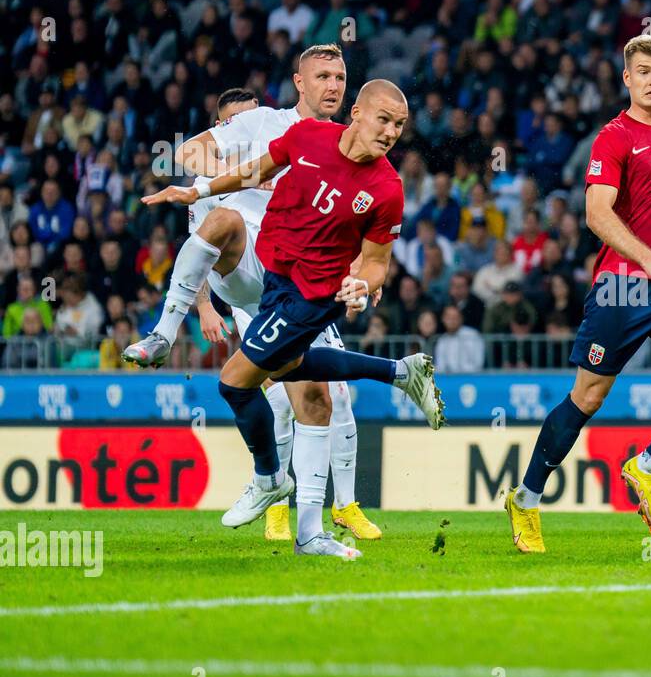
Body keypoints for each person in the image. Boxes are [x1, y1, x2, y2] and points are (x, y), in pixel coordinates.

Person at [142, 79, 446, 559]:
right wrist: (197, 189)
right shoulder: (308, 138)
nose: (391, 132)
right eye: (384, 120)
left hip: (311, 295)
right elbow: (250, 172)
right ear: (357, 115)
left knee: (235, 382)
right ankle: (399, 375)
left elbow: (376, 261)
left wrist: (361, 285)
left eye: (400, 126)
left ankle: (269, 478)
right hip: (276, 278)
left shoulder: (387, 188)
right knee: (293, 373)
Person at [126, 53, 379, 543]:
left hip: (298, 282)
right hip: (244, 274)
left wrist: (360, 279)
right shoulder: (262, 123)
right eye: (323, 76)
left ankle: (324, 518)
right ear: (298, 82)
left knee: (322, 397)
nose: (333, 85)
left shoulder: (349, 149)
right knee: (222, 221)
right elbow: (189, 153)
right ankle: (162, 333)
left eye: (341, 78)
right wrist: (242, 171)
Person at [500, 35, 651, 553]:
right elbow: (596, 213)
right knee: (587, 397)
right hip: (621, 287)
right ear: (627, 78)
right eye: (645, 71)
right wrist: (648, 258)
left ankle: (647, 468)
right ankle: (526, 497)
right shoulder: (612, 137)